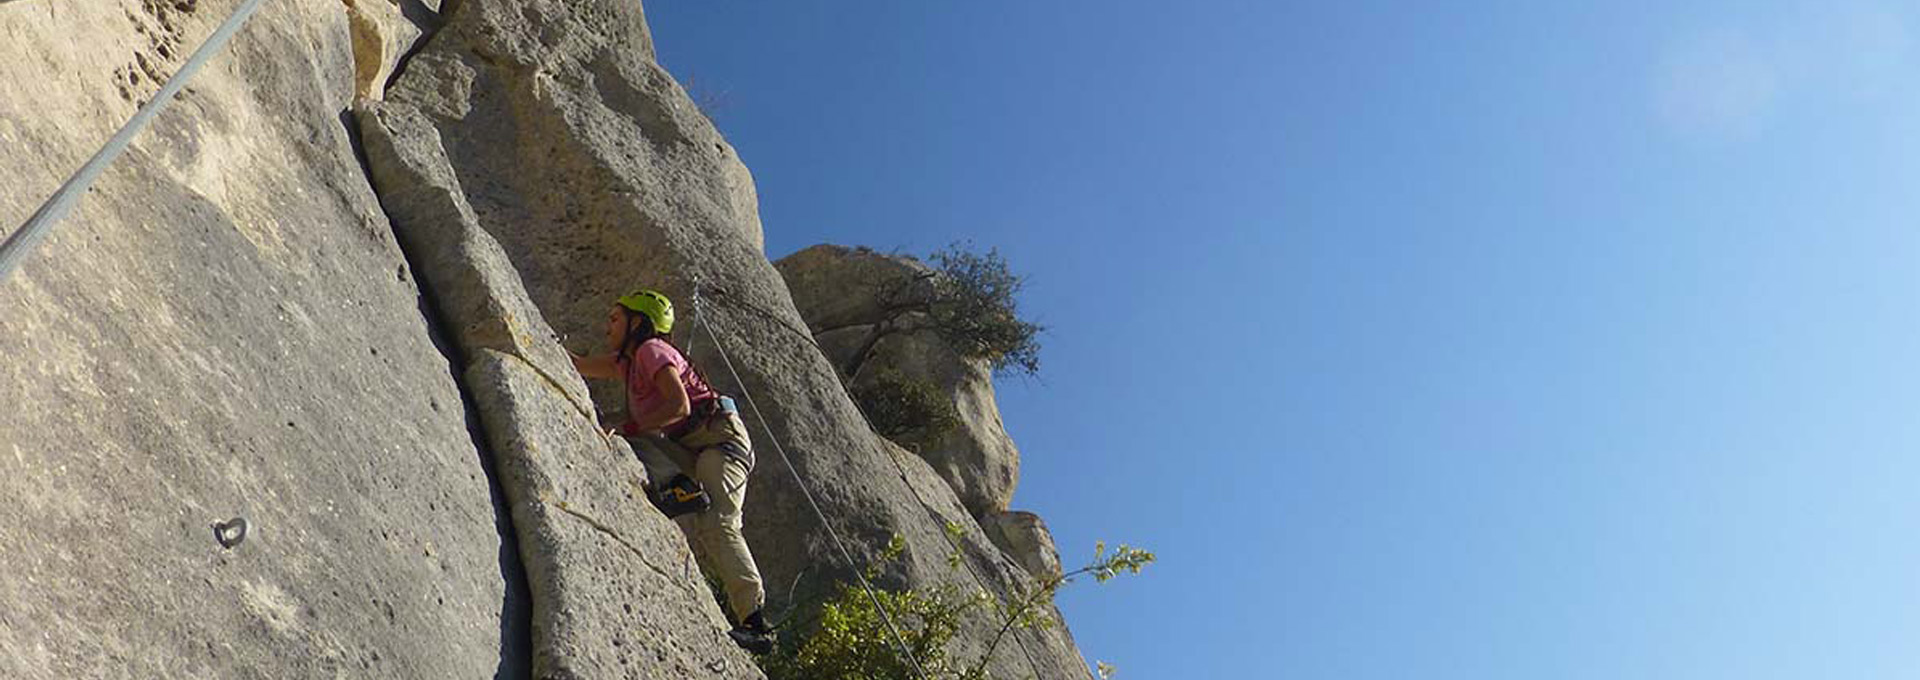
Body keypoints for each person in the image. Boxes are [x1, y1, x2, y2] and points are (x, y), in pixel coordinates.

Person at [569, 288, 774, 654]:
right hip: (693, 445)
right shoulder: (627, 363)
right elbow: (580, 365)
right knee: (631, 435)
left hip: (720, 444)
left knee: (718, 524)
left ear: (639, 323)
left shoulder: (651, 351)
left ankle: (755, 622)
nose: (608, 327)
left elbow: (678, 407)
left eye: (615, 319)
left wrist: (626, 424)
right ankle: (679, 486)